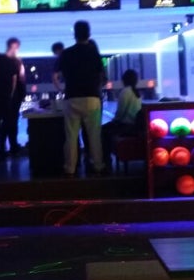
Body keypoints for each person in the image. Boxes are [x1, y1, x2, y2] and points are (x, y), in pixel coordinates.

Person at [54, 21, 106, 177]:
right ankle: (98, 165)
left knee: (71, 137)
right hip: (92, 98)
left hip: (72, 98)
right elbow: (102, 76)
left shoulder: (66, 53)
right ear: (89, 34)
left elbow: (55, 75)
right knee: (94, 136)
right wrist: (98, 88)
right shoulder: (94, 52)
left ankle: (70, 168)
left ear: (74, 35)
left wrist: (62, 89)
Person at [101, 69, 142, 166]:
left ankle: (106, 160)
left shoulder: (125, 92)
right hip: (134, 125)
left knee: (103, 131)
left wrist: (114, 120)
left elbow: (120, 113)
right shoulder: (137, 93)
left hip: (126, 126)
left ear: (124, 80)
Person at [5, 37, 26, 154]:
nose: (17, 49)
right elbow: (20, 78)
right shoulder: (15, 61)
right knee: (12, 121)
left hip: (8, 95)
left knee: (8, 121)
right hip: (13, 96)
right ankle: (13, 146)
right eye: (17, 47)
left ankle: (6, 147)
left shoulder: (10, 60)